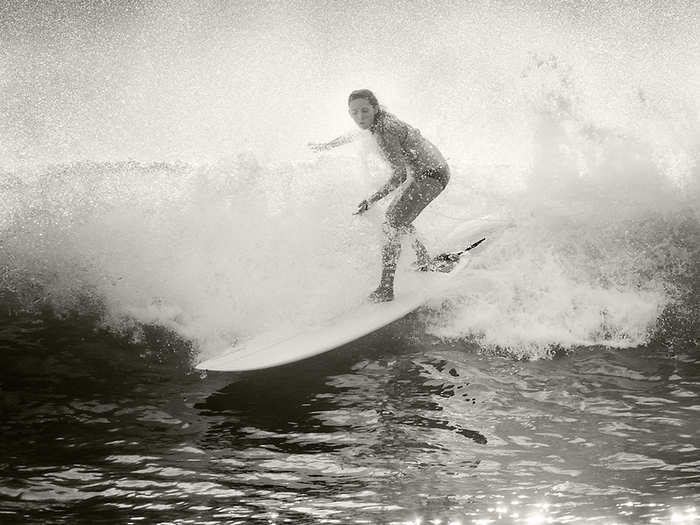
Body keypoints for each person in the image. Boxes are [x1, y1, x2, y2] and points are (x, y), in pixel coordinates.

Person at [310, 89, 450, 302]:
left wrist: (372, 199)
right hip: (430, 171)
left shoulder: (385, 131)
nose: (360, 117)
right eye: (354, 113)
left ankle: (386, 289)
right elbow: (354, 134)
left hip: (431, 175)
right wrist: (328, 145)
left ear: (375, 109)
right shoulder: (379, 120)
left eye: (364, 111)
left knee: (391, 225)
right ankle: (424, 260)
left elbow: (400, 175)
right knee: (399, 218)